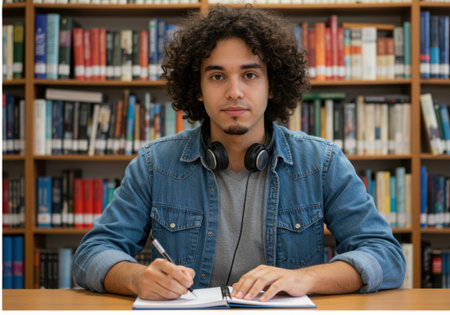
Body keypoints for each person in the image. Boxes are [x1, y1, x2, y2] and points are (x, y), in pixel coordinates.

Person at [73, 5, 406, 302]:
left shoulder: (321, 163)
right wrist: (136, 278)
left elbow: (385, 255)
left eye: (250, 75)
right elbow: (92, 253)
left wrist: (305, 277)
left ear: (272, 86)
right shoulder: (154, 164)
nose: (234, 92)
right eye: (217, 76)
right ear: (198, 89)